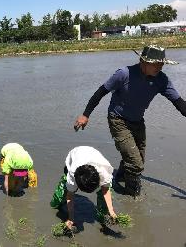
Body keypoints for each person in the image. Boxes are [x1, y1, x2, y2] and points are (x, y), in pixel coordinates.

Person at [74, 45, 186, 197]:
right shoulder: (124, 74)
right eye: (156, 64)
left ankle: (119, 176)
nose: (160, 67)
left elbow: (179, 103)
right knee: (135, 163)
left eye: (162, 63)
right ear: (143, 61)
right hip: (118, 120)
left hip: (137, 121)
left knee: (138, 159)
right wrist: (85, 115)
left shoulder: (162, 80)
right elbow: (101, 92)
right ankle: (132, 197)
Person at [50, 146, 116, 230]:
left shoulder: (105, 172)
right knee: (64, 189)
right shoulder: (72, 174)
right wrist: (71, 218)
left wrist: (111, 211)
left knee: (105, 191)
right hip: (75, 155)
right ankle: (55, 203)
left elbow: (105, 190)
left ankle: (102, 215)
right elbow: (70, 196)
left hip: (93, 154)